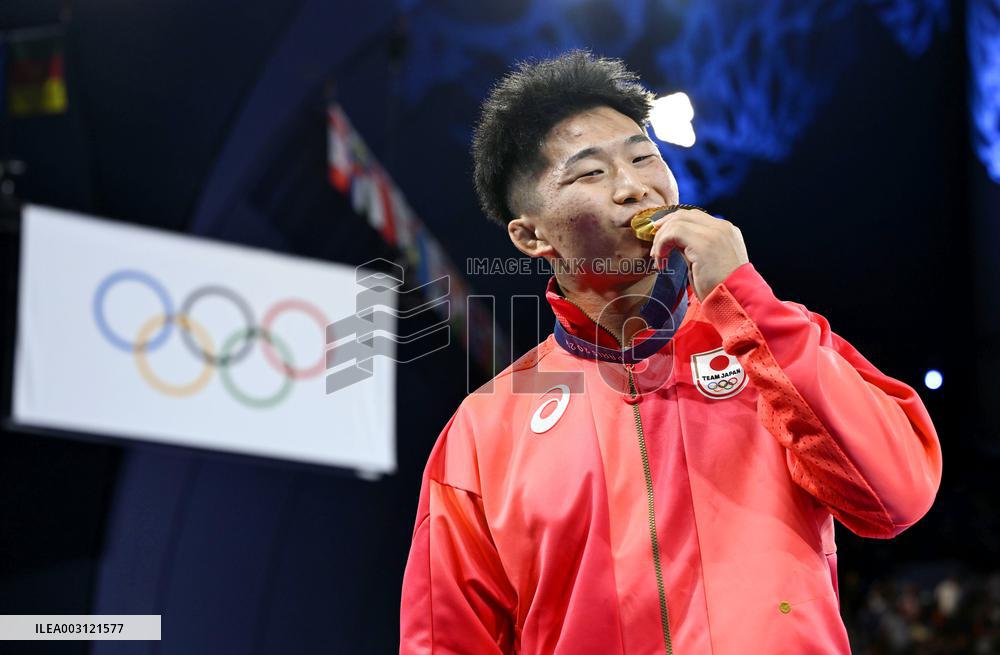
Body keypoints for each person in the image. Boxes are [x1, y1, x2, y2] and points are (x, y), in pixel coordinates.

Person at [398, 50, 942, 654]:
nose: (634, 187)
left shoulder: (777, 345)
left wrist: (748, 304)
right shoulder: (483, 430)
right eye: (590, 174)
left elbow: (896, 498)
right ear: (531, 236)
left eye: (644, 157)